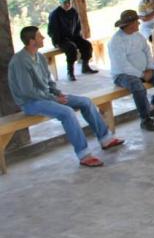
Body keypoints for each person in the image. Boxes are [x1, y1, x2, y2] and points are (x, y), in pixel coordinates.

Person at [9, 26, 124, 168]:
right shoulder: (19, 61)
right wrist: (54, 99)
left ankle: (105, 139)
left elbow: (48, 81)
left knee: (86, 102)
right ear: (31, 41)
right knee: (67, 113)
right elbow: (28, 91)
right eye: (40, 36)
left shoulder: (39, 56)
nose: (43, 38)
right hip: (30, 102)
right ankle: (84, 155)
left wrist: (57, 93)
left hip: (47, 97)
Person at [108, 10, 154, 132]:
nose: (138, 23)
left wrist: (149, 68)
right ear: (129, 24)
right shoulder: (116, 41)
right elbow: (123, 65)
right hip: (122, 74)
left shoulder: (138, 35)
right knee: (137, 86)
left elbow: (147, 51)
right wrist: (142, 74)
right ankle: (145, 119)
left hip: (144, 71)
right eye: (136, 22)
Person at [47, 0, 98, 81]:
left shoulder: (73, 11)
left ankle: (85, 67)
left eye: (68, 2)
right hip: (60, 39)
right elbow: (51, 31)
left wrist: (78, 38)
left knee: (87, 45)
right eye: (65, 3)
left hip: (73, 37)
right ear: (60, 3)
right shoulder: (55, 14)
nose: (67, 4)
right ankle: (70, 72)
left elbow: (78, 26)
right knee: (71, 48)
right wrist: (57, 42)